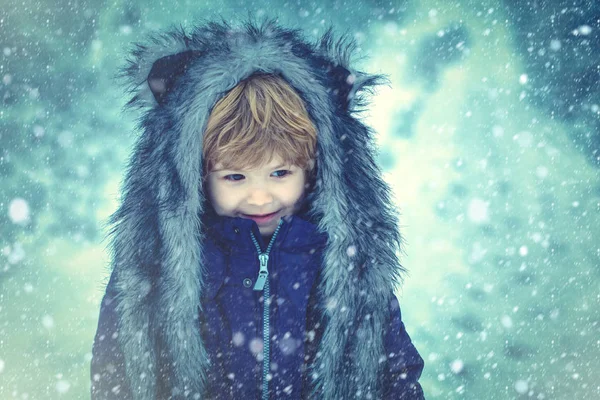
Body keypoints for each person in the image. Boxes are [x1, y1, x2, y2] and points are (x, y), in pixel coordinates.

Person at [91, 18, 425, 400]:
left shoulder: (345, 262)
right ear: (198, 177)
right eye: (235, 177)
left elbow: (395, 371)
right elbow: (115, 369)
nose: (261, 197)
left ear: (312, 169)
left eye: (279, 172)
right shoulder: (164, 264)